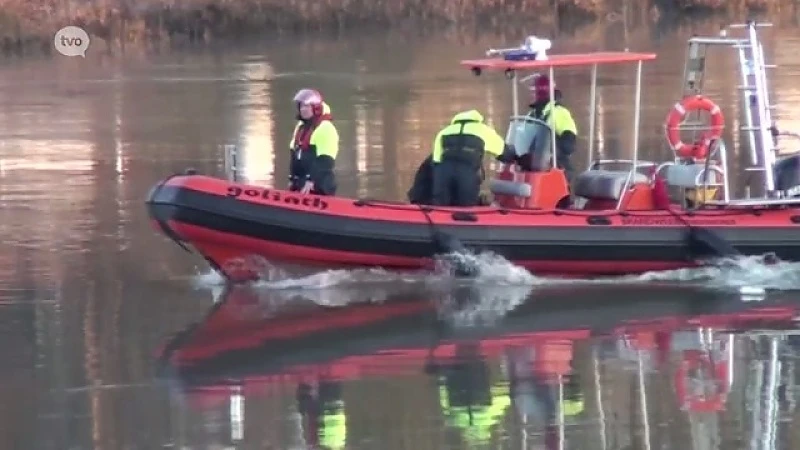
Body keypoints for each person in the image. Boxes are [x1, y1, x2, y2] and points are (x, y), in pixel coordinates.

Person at [429, 109, 518, 207]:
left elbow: (435, 161)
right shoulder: (483, 130)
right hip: (467, 174)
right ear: (477, 119)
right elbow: (504, 154)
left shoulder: (443, 132)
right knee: (467, 209)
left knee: (440, 209)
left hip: (443, 174)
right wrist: (517, 156)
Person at [288, 88, 339, 195]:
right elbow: (294, 154)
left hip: (320, 186)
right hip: (301, 183)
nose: (303, 109)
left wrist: (311, 180)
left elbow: (325, 161)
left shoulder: (325, 128)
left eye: (306, 106)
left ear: (316, 108)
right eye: (301, 106)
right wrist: (292, 178)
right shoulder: (301, 127)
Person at [528, 75, 578, 180]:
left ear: (541, 92)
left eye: (533, 91)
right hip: (535, 168)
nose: (531, 94)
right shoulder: (532, 115)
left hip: (557, 170)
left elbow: (569, 145)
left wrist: (551, 147)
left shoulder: (559, 113)